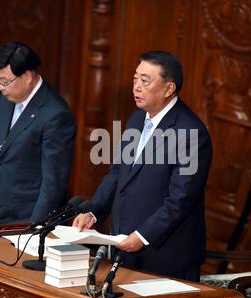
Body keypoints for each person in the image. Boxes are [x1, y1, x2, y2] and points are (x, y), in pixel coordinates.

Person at [73, 51, 212, 281]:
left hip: (165, 257)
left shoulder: (192, 134)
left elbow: (180, 199)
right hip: (124, 248)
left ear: (169, 89)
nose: (136, 86)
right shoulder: (137, 119)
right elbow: (117, 173)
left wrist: (142, 235)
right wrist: (94, 212)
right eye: (135, 78)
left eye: (145, 81)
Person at [0, 42, 76, 224]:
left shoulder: (56, 114)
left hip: (23, 219)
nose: (0, 88)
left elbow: (53, 184)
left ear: (27, 76)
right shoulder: (7, 98)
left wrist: (33, 227)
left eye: (4, 81)